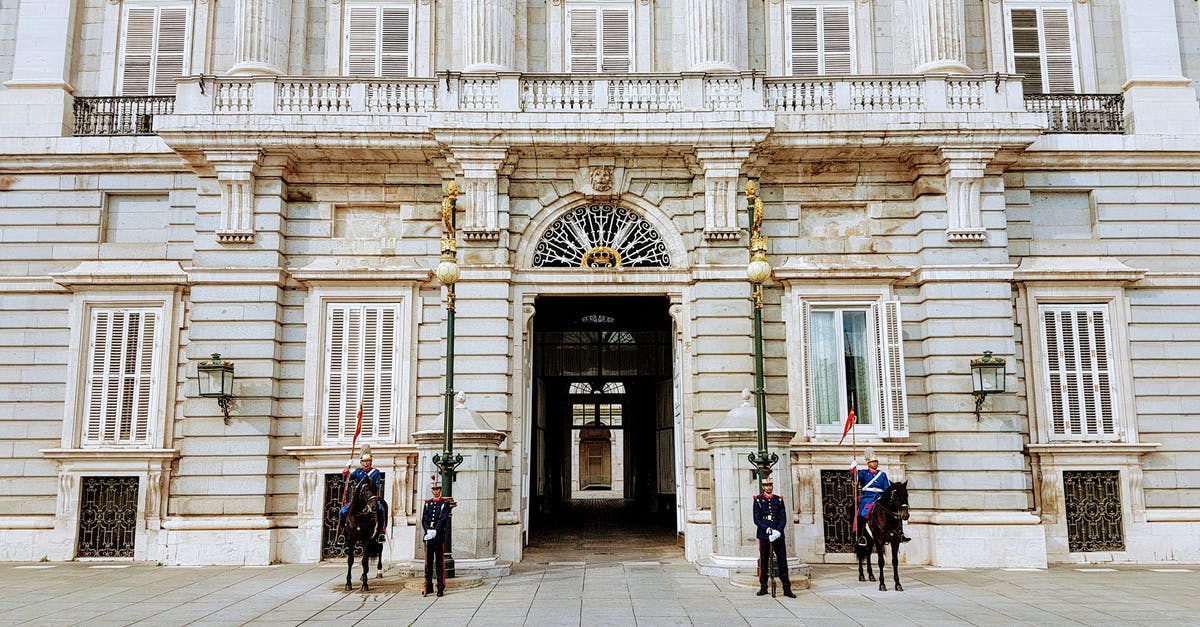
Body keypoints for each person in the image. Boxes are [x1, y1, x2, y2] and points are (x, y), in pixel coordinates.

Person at [852, 448, 910, 546]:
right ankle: (861, 537)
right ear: (868, 463)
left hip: (880, 497)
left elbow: (886, 488)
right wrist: (853, 469)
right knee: (861, 514)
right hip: (868, 498)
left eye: (876, 462)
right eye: (872, 462)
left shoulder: (882, 474)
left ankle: (900, 534)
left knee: (897, 510)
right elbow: (855, 480)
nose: (875, 464)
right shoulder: (863, 473)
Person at [752, 474, 796, 598]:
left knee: (782, 560)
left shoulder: (779, 499)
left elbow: (783, 518)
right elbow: (757, 519)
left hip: (777, 533)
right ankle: (763, 587)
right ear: (763, 487)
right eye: (766, 485)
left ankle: (787, 588)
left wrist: (778, 531)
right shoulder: (758, 500)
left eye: (770, 485)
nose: (768, 487)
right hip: (764, 534)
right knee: (764, 561)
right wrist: (767, 529)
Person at [341, 447, 388, 543]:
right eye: (364, 461)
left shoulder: (375, 472)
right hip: (358, 498)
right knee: (342, 511)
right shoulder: (358, 472)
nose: (366, 463)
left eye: (368, 461)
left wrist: (369, 483)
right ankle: (343, 533)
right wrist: (346, 470)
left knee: (381, 510)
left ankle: (380, 533)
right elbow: (347, 479)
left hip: (370, 497)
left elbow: (377, 485)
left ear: (371, 462)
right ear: (361, 463)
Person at [422, 476, 452, 597]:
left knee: (439, 563)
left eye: (438, 489)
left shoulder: (445, 504)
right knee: (428, 563)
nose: (436, 491)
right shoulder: (427, 504)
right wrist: (427, 530)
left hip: (438, 536)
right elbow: (424, 519)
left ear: (441, 490)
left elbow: (443, 519)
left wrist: (435, 530)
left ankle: (440, 587)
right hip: (429, 536)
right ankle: (428, 585)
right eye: (434, 489)